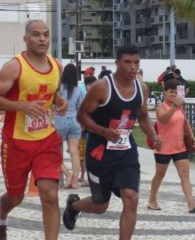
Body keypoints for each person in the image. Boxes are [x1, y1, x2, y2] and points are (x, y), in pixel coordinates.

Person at [63, 44, 161, 239]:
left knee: (131, 198)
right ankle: (73, 206)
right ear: (117, 63)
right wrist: (103, 131)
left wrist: (153, 135)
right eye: (127, 62)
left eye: (136, 62)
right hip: (99, 152)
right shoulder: (102, 87)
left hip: (126, 152)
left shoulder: (142, 89)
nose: (133, 67)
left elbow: (141, 117)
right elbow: (82, 116)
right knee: (100, 205)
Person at [0, 20, 67, 240]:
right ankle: (1, 216)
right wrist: (22, 106)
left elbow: (51, 92)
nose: (42, 39)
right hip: (16, 142)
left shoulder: (57, 65)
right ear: (26, 39)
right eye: (36, 35)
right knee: (15, 197)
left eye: (46, 35)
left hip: (46, 139)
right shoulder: (15, 66)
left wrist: (59, 101)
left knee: (50, 196)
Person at [148, 79, 195, 214]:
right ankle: (152, 200)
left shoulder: (180, 108)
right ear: (165, 93)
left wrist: (192, 137)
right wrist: (174, 106)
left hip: (180, 147)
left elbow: (185, 123)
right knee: (160, 175)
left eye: (176, 92)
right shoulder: (161, 107)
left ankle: (191, 204)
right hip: (163, 147)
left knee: (185, 175)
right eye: (171, 92)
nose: (174, 94)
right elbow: (163, 119)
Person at [54, 63, 83, 189]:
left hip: (59, 120)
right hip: (75, 121)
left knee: (54, 152)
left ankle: (67, 173)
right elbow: (80, 107)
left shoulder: (58, 88)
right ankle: (75, 182)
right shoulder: (79, 89)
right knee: (74, 152)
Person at [78, 75, 97, 186]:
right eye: (89, 85)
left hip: (91, 131)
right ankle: (86, 177)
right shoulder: (87, 97)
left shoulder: (94, 97)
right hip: (88, 131)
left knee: (90, 156)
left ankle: (91, 178)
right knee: (85, 155)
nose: (90, 87)